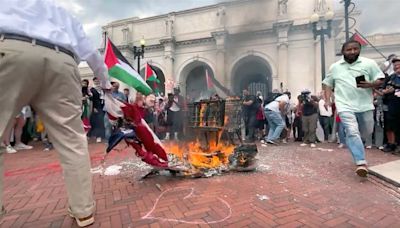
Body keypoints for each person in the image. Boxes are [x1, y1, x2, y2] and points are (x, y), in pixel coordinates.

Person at [0, 0, 111, 226]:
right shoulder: (62, 13)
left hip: (10, 48)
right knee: (73, 142)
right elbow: (91, 52)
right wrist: (105, 81)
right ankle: (83, 211)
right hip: (63, 61)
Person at [323, 40, 384, 177]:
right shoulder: (335, 67)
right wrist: (327, 100)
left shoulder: (369, 64)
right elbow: (327, 84)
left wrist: (370, 84)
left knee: (367, 130)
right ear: (343, 51)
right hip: (344, 104)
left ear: (359, 49)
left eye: (355, 49)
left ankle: (357, 143)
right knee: (352, 131)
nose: (352, 52)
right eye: (348, 50)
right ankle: (360, 162)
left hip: (365, 104)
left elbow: (380, 79)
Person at [380, 58, 400, 153]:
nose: (397, 67)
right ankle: (391, 144)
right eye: (395, 65)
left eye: (398, 65)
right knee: (390, 126)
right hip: (391, 105)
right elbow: (381, 90)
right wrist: (386, 91)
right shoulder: (390, 78)